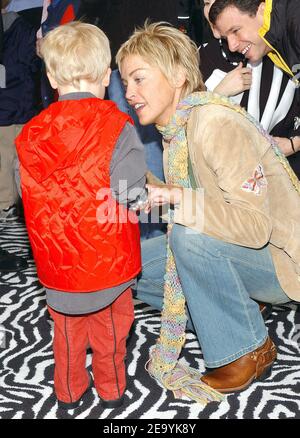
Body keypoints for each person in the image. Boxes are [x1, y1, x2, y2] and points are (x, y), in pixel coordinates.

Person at [117, 21, 300, 401]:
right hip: (244, 252)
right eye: (125, 82)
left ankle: (247, 348)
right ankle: (235, 298)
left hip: (284, 262)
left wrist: (176, 198)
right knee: (129, 264)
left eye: (139, 79)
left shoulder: (216, 122)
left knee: (189, 238)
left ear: (179, 76)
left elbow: (254, 228)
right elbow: (197, 195)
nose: (129, 93)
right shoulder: (176, 132)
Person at [15, 21, 147, 410]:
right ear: (107, 76)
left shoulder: (29, 134)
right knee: (111, 330)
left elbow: (24, 192)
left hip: (58, 268)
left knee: (67, 334)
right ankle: (111, 389)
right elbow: (130, 193)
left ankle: (69, 393)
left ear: (52, 75)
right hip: (110, 264)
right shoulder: (117, 127)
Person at [76, 0, 179, 239]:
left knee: (148, 146)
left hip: (156, 50)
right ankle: (146, 235)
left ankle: (153, 233)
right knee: (134, 149)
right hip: (123, 55)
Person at [200, 0, 300, 179]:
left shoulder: (294, 23)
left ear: (261, 10)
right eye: (226, 37)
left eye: (236, 30)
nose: (232, 45)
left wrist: (295, 143)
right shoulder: (272, 44)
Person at [0, 0, 40, 272]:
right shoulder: (23, 26)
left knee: (7, 172)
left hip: (10, 109)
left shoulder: (18, 24)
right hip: (19, 109)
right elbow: (29, 67)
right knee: (13, 172)